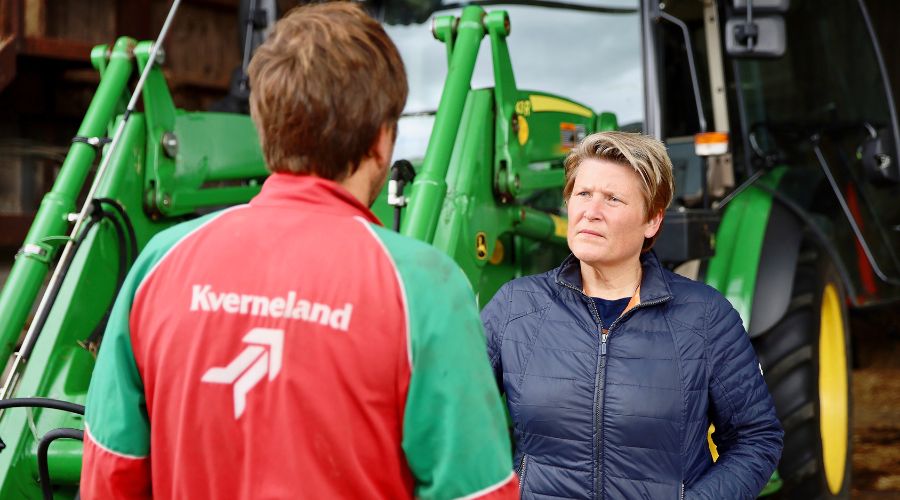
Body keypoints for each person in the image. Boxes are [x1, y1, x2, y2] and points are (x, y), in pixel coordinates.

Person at [80, 3, 518, 499]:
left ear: (264, 131)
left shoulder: (161, 264)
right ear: (381, 141)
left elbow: (110, 475)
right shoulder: (424, 288)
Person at [481, 131, 783, 499]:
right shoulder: (516, 306)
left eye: (613, 199)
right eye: (583, 194)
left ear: (652, 221)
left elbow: (756, 438)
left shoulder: (705, 317)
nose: (591, 211)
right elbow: (449, 412)